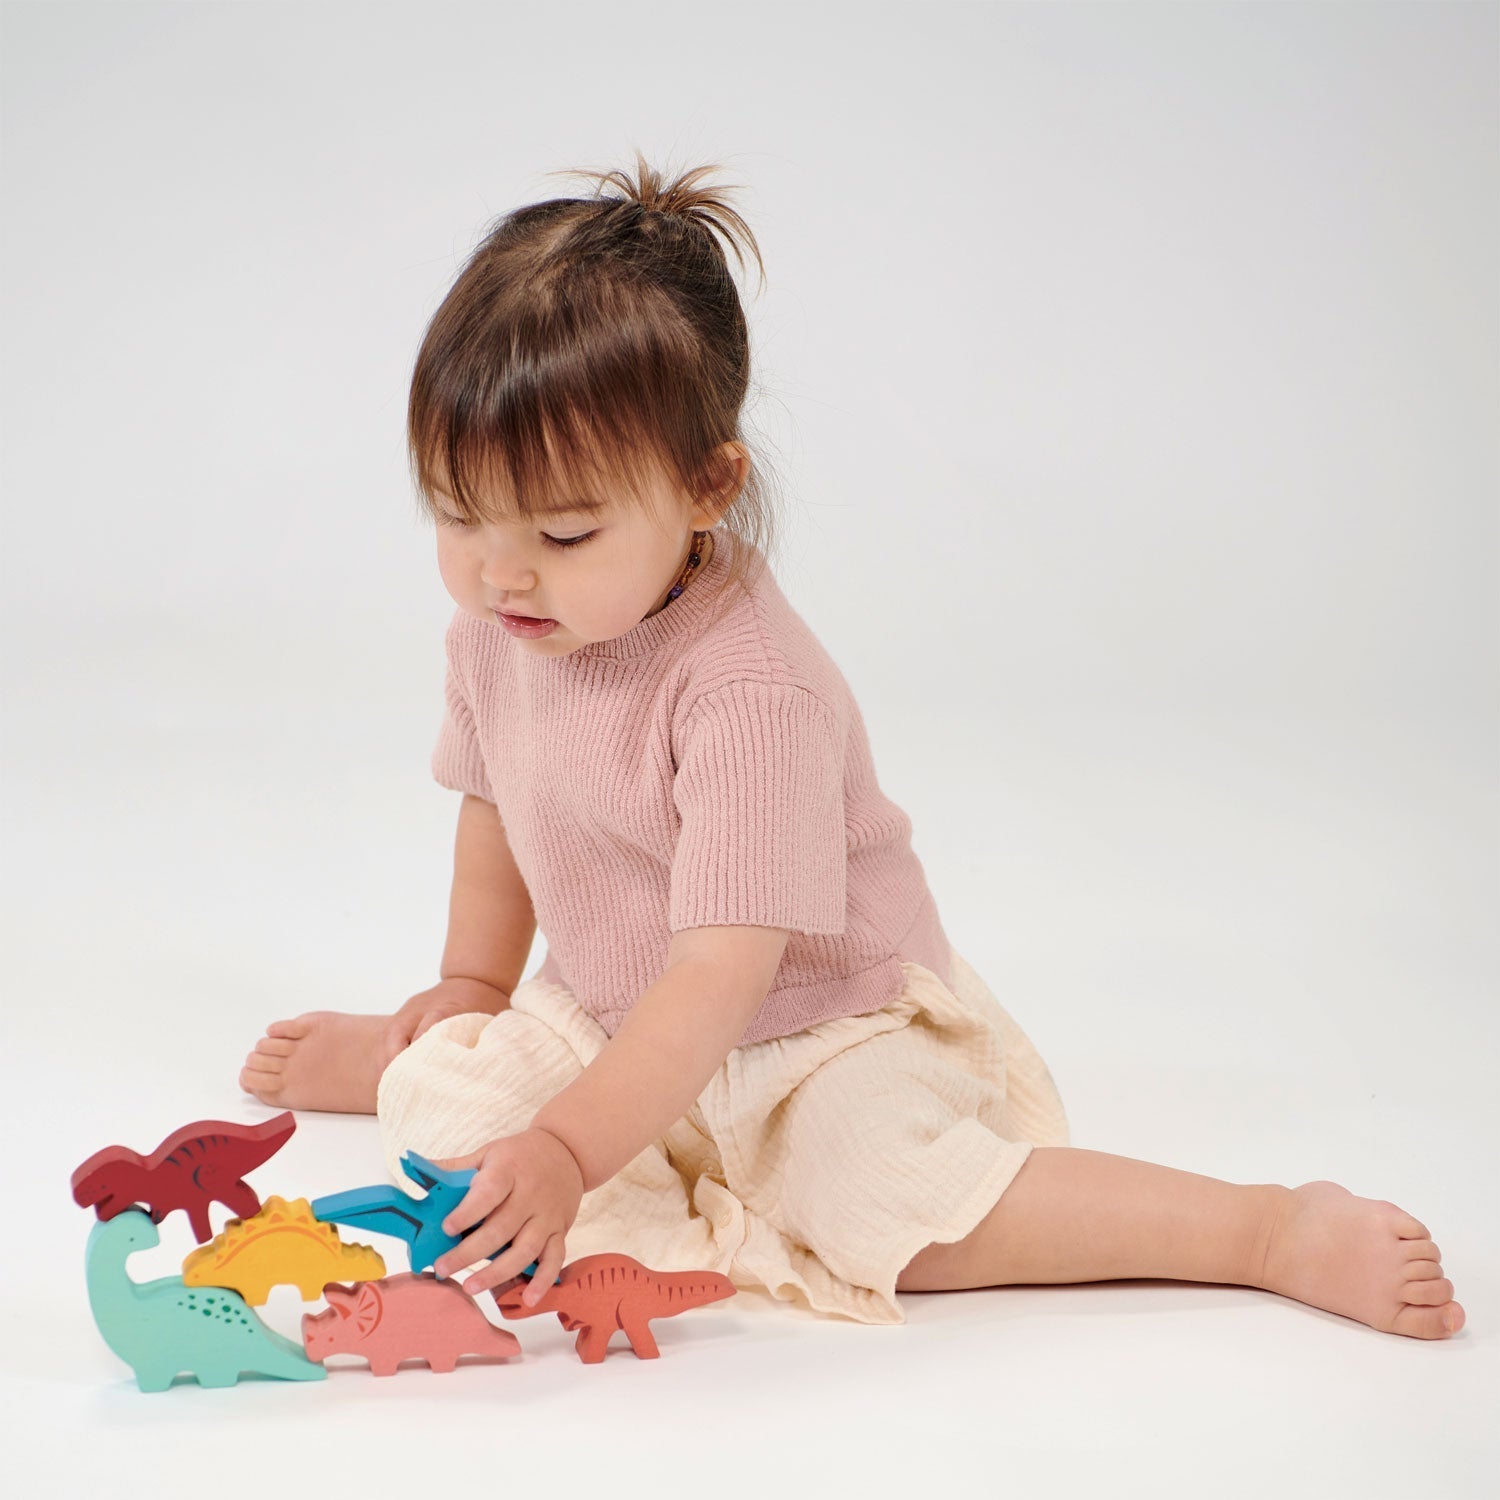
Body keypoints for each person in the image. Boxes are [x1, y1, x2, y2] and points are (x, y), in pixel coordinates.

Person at [239, 152, 1463, 1338]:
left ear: (708, 487)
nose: (501, 574)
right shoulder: (504, 629)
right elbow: (496, 809)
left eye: (564, 535)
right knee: (450, 1116)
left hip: (814, 1025)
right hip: (612, 1008)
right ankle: (430, 1045)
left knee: (881, 1203)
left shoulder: (750, 691)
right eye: (459, 515)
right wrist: (472, 986)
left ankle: (1262, 1233)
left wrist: (565, 1145)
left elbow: (718, 977)